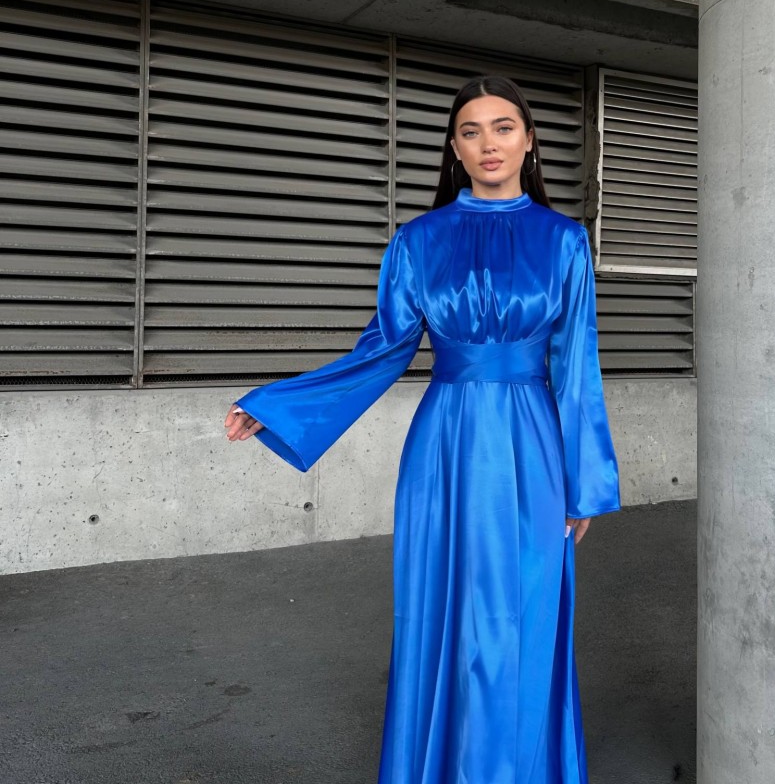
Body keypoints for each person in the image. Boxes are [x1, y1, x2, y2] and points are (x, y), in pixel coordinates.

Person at [223, 75, 620, 783]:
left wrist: (582, 481)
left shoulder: (565, 241)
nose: (488, 143)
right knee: (440, 616)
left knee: (524, 615)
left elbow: (576, 367)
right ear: (454, 149)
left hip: (532, 445)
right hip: (444, 447)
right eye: (471, 131)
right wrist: (280, 404)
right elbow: (381, 349)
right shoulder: (417, 241)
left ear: (530, 141)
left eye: (503, 127)